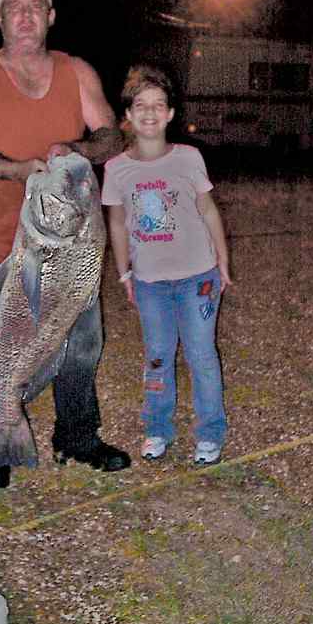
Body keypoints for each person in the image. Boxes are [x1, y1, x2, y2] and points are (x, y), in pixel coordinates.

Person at [0, 0, 131, 488]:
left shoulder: (76, 72)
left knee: (82, 344)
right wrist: (16, 170)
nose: (24, 15)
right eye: (13, 8)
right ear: (0, 18)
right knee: (0, 345)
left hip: (73, 248)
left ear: (50, 17)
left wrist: (82, 150)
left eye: (35, 7)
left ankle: (77, 435)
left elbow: (112, 135)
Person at [101, 64, 231, 466]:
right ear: (128, 114)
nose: (151, 113)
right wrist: (124, 273)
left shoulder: (189, 158)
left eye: (159, 105)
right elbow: (118, 222)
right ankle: (157, 429)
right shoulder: (116, 168)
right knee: (157, 355)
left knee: (200, 354)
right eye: (141, 105)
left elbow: (208, 212)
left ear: (172, 113)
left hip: (198, 277)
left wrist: (223, 264)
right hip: (151, 282)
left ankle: (210, 434)